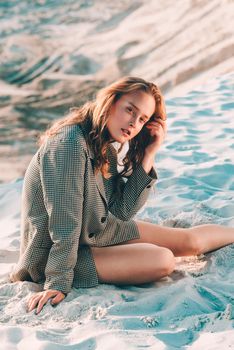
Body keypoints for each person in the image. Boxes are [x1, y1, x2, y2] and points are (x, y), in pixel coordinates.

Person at [10, 76, 234, 315]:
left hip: (98, 231)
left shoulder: (103, 146)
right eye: (130, 110)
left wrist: (148, 155)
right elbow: (64, 224)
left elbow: (121, 212)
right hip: (59, 256)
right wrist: (57, 283)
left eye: (142, 119)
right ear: (111, 101)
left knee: (190, 242)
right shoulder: (69, 145)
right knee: (163, 260)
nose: (133, 124)